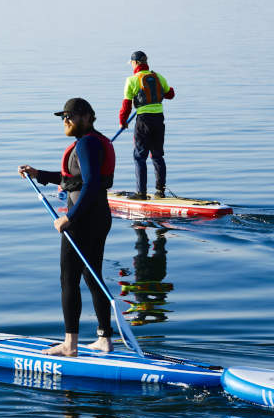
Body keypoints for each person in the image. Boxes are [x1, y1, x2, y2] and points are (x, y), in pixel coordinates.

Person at [19, 98, 116, 356]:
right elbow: (71, 180)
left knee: (69, 278)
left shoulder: (86, 144)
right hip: (97, 216)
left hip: (83, 220)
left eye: (70, 116)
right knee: (92, 275)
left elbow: (92, 183)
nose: (66, 121)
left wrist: (70, 217)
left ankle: (70, 345)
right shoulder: (93, 142)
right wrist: (39, 174)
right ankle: (105, 339)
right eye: (63, 117)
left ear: (86, 117)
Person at [118, 51, 174, 200]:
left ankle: (141, 193)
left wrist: (123, 122)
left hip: (143, 120)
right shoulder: (158, 77)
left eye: (131, 63)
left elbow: (126, 105)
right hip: (158, 119)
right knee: (157, 155)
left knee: (139, 156)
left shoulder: (131, 80)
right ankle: (160, 191)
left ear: (135, 63)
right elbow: (170, 94)